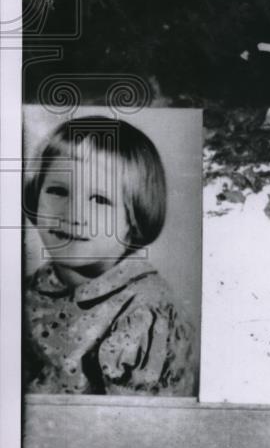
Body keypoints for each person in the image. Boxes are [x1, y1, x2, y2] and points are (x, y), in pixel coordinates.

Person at [23, 115, 195, 395]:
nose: (74, 215)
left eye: (100, 200)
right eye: (57, 191)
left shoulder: (145, 314)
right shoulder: (27, 289)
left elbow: (136, 432)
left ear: (134, 219)